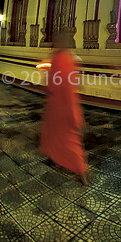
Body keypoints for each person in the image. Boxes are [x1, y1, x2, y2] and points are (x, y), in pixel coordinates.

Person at [38, 36, 89, 185]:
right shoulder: (61, 59)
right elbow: (56, 81)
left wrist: (73, 112)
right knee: (56, 135)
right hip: (57, 105)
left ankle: (80, 170)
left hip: (65, 106)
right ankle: (66, 161)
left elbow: (68, 86)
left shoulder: (66, 60)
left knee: (70, 141)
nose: (56, 45)